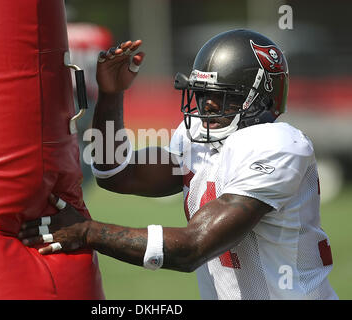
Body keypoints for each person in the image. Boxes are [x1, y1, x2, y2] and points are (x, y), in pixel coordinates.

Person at [19, 29, 338, 300]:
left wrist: (88, 232)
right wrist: (111, 94)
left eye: (222, 96)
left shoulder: (277, 144)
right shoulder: (200, 134)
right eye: (201, 93)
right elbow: (117, 173)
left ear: (262, 98)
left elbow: (192, 247)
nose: (207, 104)